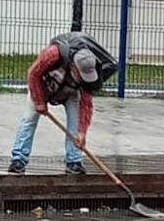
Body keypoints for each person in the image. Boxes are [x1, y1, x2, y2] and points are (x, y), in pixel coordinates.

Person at [7, 35, 101, 175]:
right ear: (73, 66)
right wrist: (39, 101)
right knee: (29, 119)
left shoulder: (89, 75)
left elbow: (86, 104)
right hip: (43, 86)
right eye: (81, 74)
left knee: (75, 125)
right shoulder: (53, 54)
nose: (84, 79)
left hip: (70, 92)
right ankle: (18, 159)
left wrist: (82, 132)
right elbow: (33, 73)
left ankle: (74, 161)